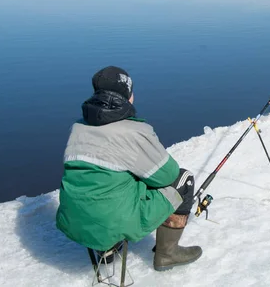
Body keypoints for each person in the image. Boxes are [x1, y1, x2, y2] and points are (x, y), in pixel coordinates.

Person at [55, 65, 202, 271]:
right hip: (112, 222)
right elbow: (167, 175)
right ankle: (167, 254)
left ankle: (106, 252)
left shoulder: (79, 127)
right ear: (128, 96)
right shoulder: (134, 131)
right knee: (183, 179)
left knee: (107, 182)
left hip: (73, 220)